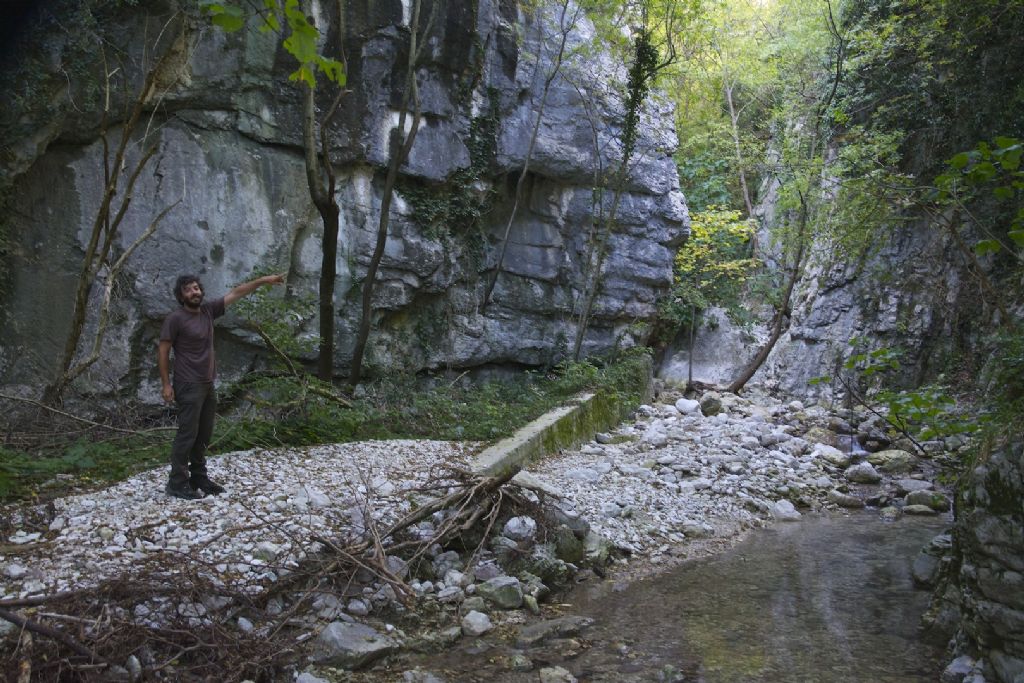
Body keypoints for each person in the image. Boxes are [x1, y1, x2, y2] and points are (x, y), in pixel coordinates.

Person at [158, 272, 285, 499]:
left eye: (196, 288)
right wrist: (166, 384)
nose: (194, 292)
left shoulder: (207, 311)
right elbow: (163, 350)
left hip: (207, 384)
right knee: (187, 434)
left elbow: (237, 292)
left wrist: (264, 281)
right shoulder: (175, 319)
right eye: (188, 290)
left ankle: (198, 477)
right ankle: (176, 482)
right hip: (188, 384)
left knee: (204, 434)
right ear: (181, 296)